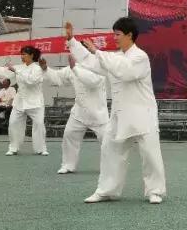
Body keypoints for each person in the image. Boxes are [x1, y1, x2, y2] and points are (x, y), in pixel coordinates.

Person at [66, 19, 167, 205]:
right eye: (114, 34)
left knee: (150, 153)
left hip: (142, 113)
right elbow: (92, 62)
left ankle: (155, 191)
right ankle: (106, 190)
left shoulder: (140, 57)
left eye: (118, 34)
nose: (115, 38)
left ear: (130, 35)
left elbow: (125, 72)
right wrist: (73, 41)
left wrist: (98, 52)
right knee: (110, 150)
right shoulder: (114, 57)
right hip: (119, 114)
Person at [42, 55, 109, 175]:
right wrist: (46, 69)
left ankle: (110, 167)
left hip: (98, 113)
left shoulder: (98, 67)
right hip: (79, 111)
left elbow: (92, 82)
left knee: (107, 140)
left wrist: (75, 69)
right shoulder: (73, 68)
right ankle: (68, 165)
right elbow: (58, 77)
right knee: (69, 135)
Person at [0, 47, 47, 156]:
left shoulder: (38, 69)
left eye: (24, 54)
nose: (22, 56)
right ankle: (13, 147)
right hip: (20, 102)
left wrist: (16, 71)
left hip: (35, 102)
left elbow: (30, 81)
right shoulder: (19, 67)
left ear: (32, 55)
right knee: (13, 123)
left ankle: (41, 149)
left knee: (39, 124)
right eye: (21, 54)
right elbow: (2, 71)